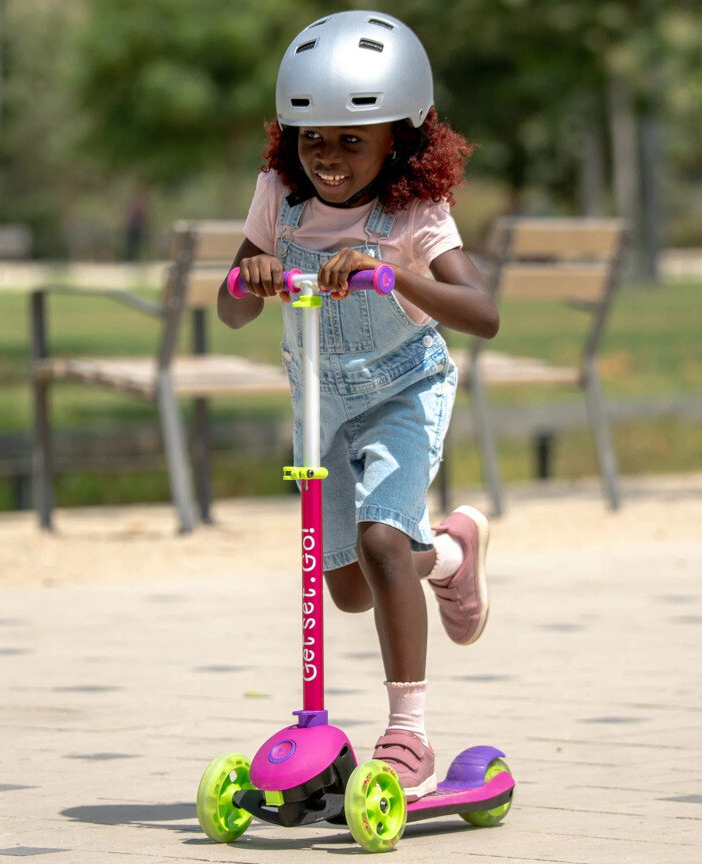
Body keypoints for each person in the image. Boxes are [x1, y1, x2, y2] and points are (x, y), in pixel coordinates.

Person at [218, 10, 499, 802]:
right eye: (313, 139)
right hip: (322, 406)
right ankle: (448, 557)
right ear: (288, 140)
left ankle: (407, 734)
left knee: (380, 541)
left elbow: (483, 313)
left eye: (352, 139)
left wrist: (393, 273)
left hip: (405, 392)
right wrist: (254, 277)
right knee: (349, 586)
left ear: (399, 140)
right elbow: (229, 307)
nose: (329, 158)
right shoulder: (279, 196)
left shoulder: (414, 214)